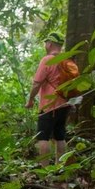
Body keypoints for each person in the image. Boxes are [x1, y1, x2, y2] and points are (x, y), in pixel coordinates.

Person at [25, 32, 73, 167]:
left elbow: (36, 83)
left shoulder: (47, 60)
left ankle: (44, 169)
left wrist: (30, 100)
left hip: (49, 105)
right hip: (65, 104)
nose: (45, 45)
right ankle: (60, 167)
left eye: (46, 42)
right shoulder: (67, 60)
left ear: (50, 44)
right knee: (60, 136)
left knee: (43, 137)